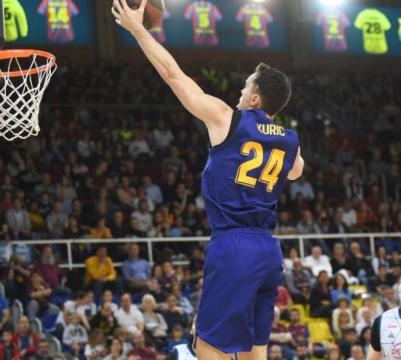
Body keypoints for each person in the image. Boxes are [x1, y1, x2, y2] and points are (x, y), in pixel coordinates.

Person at [113, 2, 304, 359]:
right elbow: (296, 170)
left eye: (246, 86)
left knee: (206, 346)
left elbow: (174, 76)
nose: (240, 92)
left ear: (255, 97)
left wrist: (139, 30)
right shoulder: (289, 139)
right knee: (254, 352)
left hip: (233, 246)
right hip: (268, 250)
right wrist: (273, 126)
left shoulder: (227, 118)